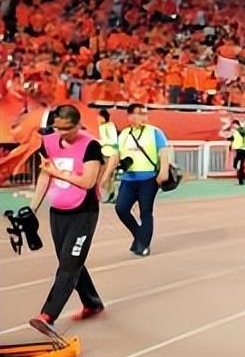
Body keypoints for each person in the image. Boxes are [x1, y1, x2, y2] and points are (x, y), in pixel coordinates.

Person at [28, 105, 105, 333]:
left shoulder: (91, 146)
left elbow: (88, 181)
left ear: (78, 125)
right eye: (58, 128)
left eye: (68, 129)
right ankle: (92, 302)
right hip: (58, 212)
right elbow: (45, 175)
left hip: (83, 213)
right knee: (69, 260)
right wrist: (32, 208)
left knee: (69, 264)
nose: (62, 133)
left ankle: (48, 315)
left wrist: (57, 173)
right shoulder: (49, 142)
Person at [103, 103, 170, 257]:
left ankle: (144, 245)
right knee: (121, 208)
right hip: (129, 179)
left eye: (145, 113)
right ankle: (140, 235)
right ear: (130, 116)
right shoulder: (124, 134)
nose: (143, 117)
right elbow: (115, 156)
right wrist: (106, 176)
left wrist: (163, 171)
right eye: (139, 113)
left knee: (145, 211)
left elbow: (163, 152)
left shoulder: (155, 132)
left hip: (149, 179)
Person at [97, 108, 119, 203]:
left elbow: (109, 140)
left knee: (107, 174)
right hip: (109, 153)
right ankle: (111, 194)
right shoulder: (108, 126)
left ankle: (109, 194)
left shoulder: (106, 127)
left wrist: (98, 142)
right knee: (109, 175)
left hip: (108, 153)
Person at [229, 119, 245, 185]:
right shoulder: (235, 131)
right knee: (235, 165)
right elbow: (233, 139)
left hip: (243, 149)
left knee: (240, 166)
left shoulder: (242, 130)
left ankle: (241, 181)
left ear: (237, 124)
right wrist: (231, 145)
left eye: (234, 125)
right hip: (238, 149)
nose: (233, 127)